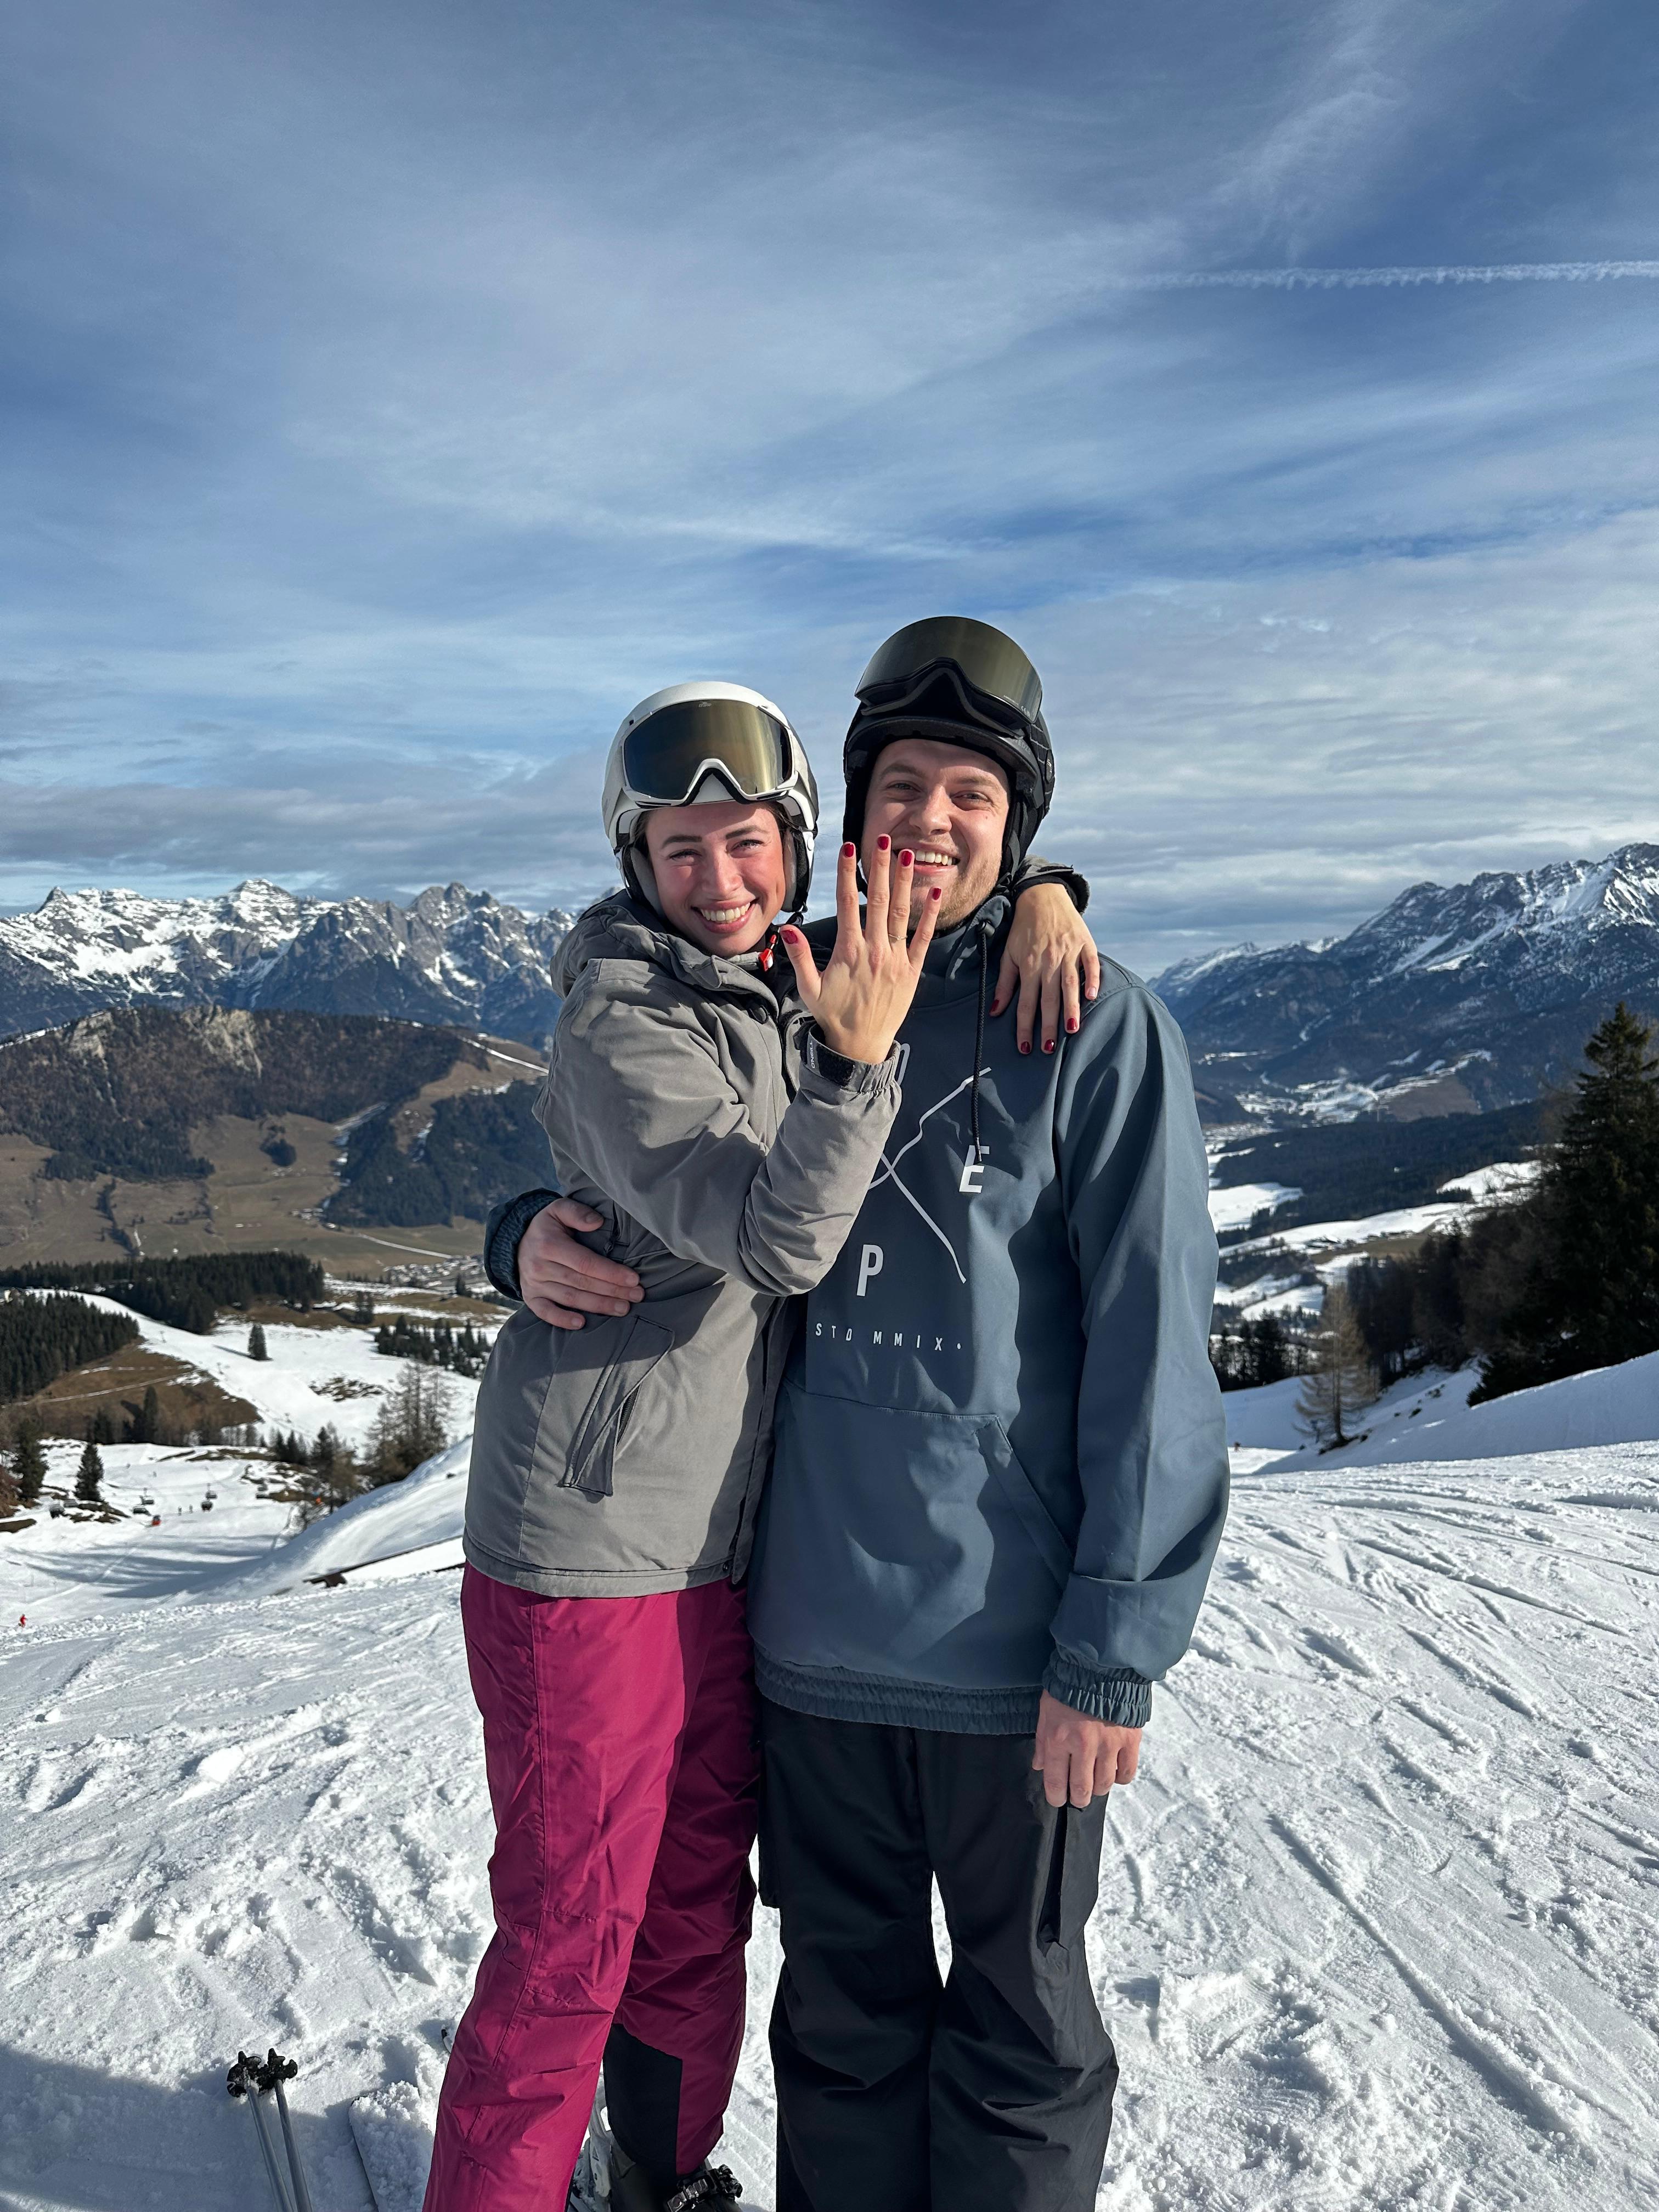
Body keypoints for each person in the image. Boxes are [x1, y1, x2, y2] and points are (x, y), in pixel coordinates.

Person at [513, 618, 1230, 2212]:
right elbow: (638, 1133)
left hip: (1006, 1659)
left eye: (973, 795)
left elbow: (1155, 1360)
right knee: (841, 2022)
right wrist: (519, 1233)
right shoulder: (795, 984)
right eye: (902, 786)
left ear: (1019, 822)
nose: (931, 821)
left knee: (1021, 2036)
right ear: (851, 816)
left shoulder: (1095, 1028)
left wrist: (1115, 1649)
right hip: (812, 1646)